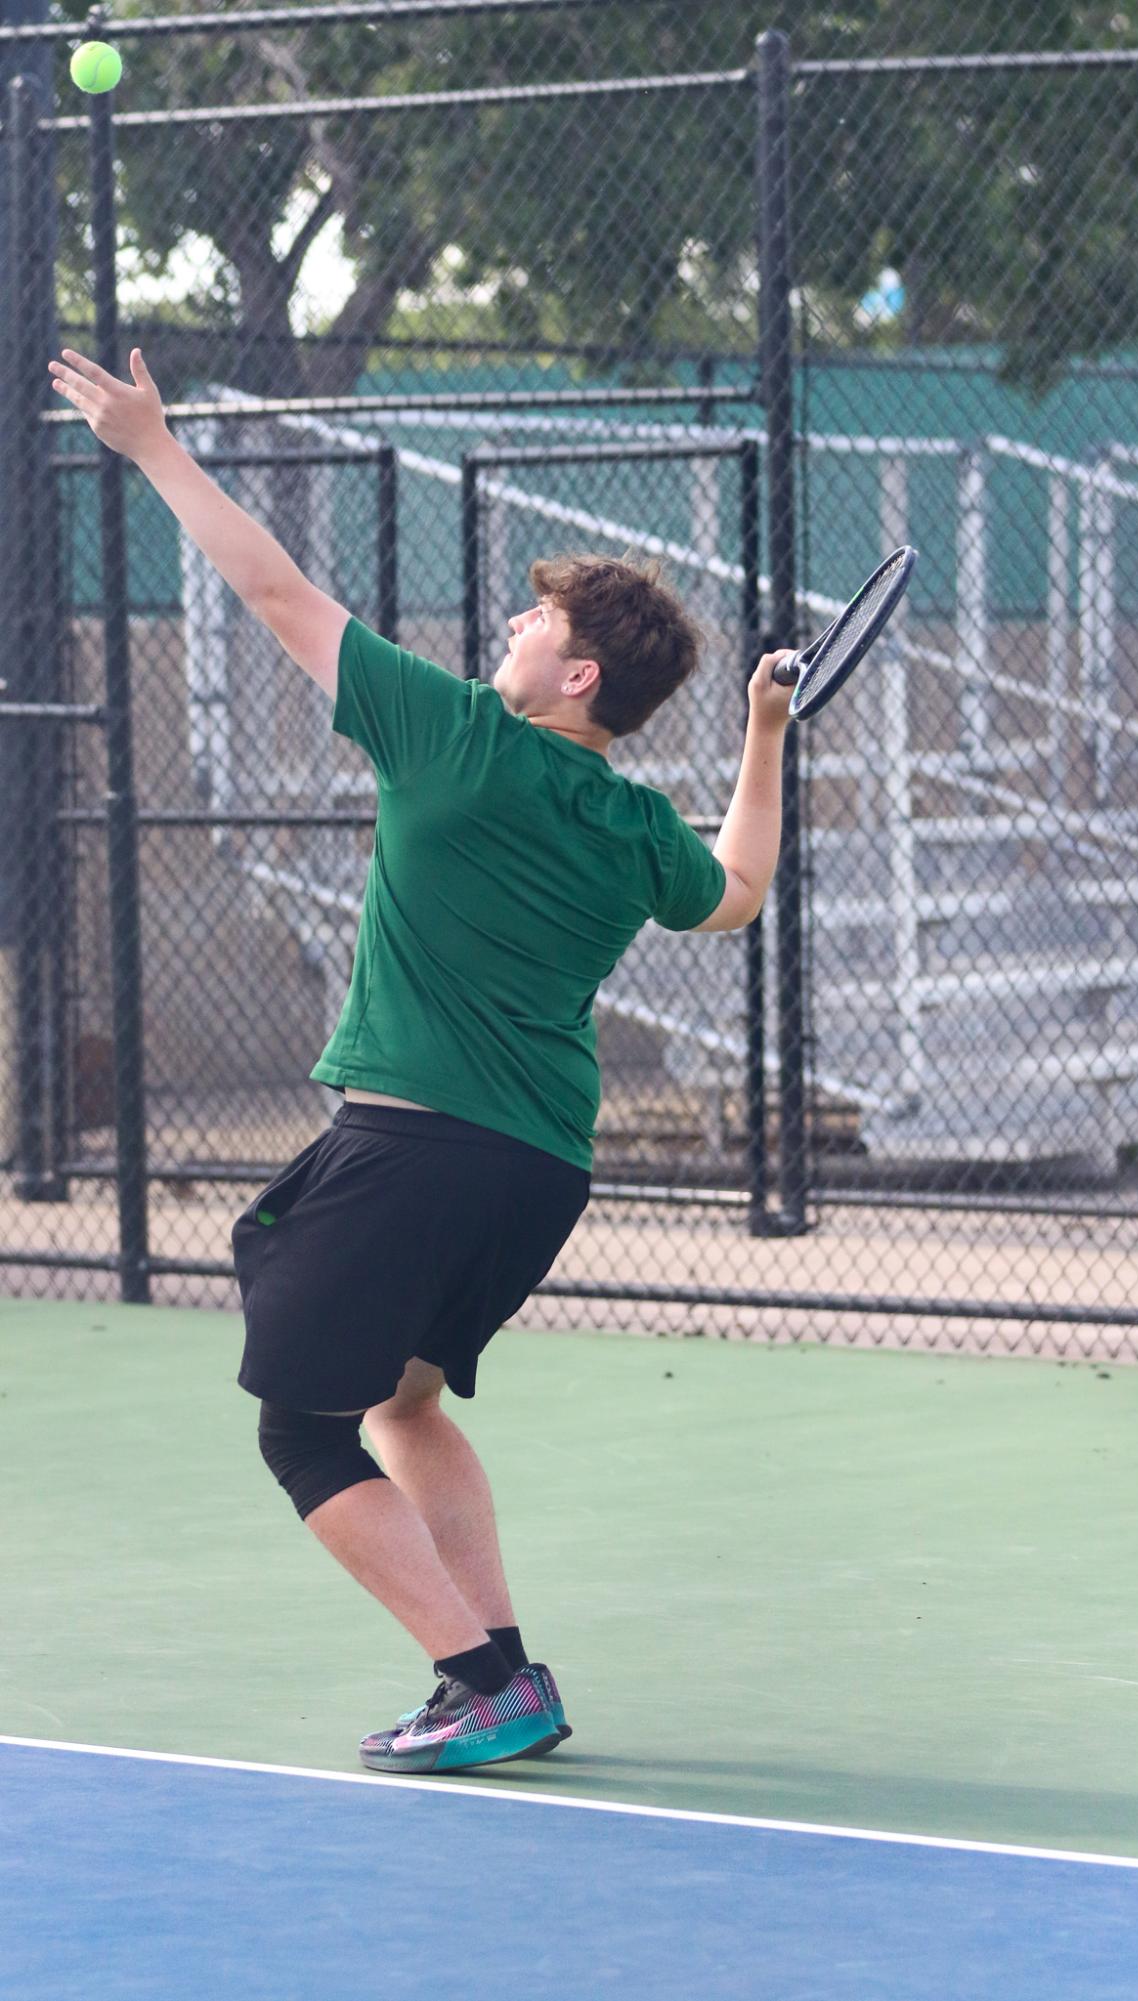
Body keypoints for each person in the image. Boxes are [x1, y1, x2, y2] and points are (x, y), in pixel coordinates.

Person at [48, 345, 794, 1774]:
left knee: (301, 1429)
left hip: (420, 1146)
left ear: (575, 672)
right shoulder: (631, 820)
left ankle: (476, 1679)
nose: (508, 625)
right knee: (399, 1402)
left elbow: (271, 588)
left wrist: (153, 448)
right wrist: (763, 731)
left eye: (534, 617)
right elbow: (738, 887)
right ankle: (505, 1675)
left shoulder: (450, 733)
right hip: (535, 1165)